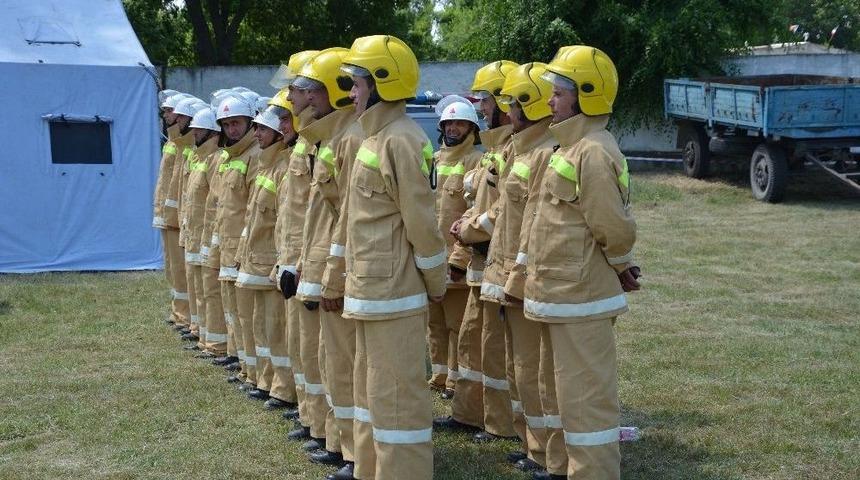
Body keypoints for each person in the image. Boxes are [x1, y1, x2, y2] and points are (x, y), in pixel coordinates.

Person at [514, 45, 639, 479]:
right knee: (557, 389)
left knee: (585, 396)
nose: (549, 101)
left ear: (586, 94)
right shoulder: (569, 147)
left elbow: (612, 225)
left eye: (559, 93)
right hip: (558, 295)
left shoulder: (594, 151)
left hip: (580, 297)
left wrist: (621, 263)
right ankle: (560, 465)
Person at [339, 34, 446, 480]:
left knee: (398, 398)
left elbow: (422, 224)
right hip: (370, 291)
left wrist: (436, 281)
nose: (351, 93)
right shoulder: (374, 137)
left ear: (382, 83)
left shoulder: (402, 139)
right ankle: (370, 469)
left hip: (394, 293)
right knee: (373, 392)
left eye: (357, 83)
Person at [290, 47, 364, 479]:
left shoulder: (348, 140)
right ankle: (338, 442)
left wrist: (336, 277)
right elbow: (318, 217)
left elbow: (351, 220)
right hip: (322, 264)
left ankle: (354, 453)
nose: (297, 99)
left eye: (306, 91)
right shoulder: (328, 140)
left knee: (344, 363)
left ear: (331, 93)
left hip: (341, 270)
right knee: (328, 359)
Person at [426, 95, 482, 398]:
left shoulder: (475, 162)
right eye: (448, 123)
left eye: (460, 123)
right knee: (434, 323)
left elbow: (474, 213)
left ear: (472, 128)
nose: (453, 128)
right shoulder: (433, 160)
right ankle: (439, 377)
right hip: (431, 259)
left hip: (456, 261)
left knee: (457, 325)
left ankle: (455, 381)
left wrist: (459, 259)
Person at [212, 93, 261, 390]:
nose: (231, 129)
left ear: (250, 123)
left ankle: (255, 373)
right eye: (227, 124)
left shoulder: (254, 156)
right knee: (233, 310)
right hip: (228, 248)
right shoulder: (230, 157)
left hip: (244, 250)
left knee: (247, 314)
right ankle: (243, 364)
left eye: (237, 123)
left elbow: (253, 210)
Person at [180, 106, 223, 358]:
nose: (194, 133)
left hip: (207, 238)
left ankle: (215, 343)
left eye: (199, 129)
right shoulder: (201, 158)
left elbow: (215, 203)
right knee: (200, 289)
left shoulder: (215, 159)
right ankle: (203, 335)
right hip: (196, 235)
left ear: (212, 133)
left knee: (211, 293)